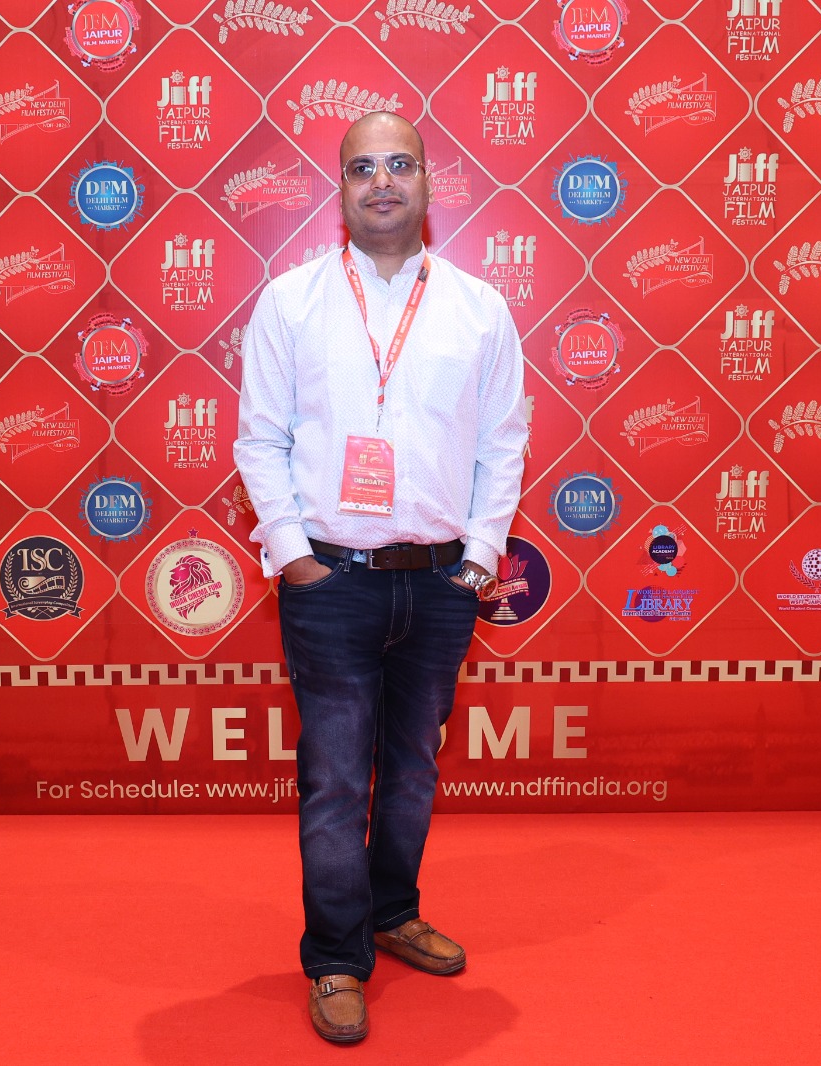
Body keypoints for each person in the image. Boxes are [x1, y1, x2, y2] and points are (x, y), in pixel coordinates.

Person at [233, 112, 527, 1044]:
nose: (383, 181)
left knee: (411, 768)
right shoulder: (290, 302)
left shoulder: (479, 308)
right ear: (342, 189)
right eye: (363, 168)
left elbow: (502, 442)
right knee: (332, 778)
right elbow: (260, 440)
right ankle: (334, 957)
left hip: (439, 586)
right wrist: (296, 558)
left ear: (430, 182)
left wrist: (478, 560)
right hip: (332, 584)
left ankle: (393, 912)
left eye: (401, 164)